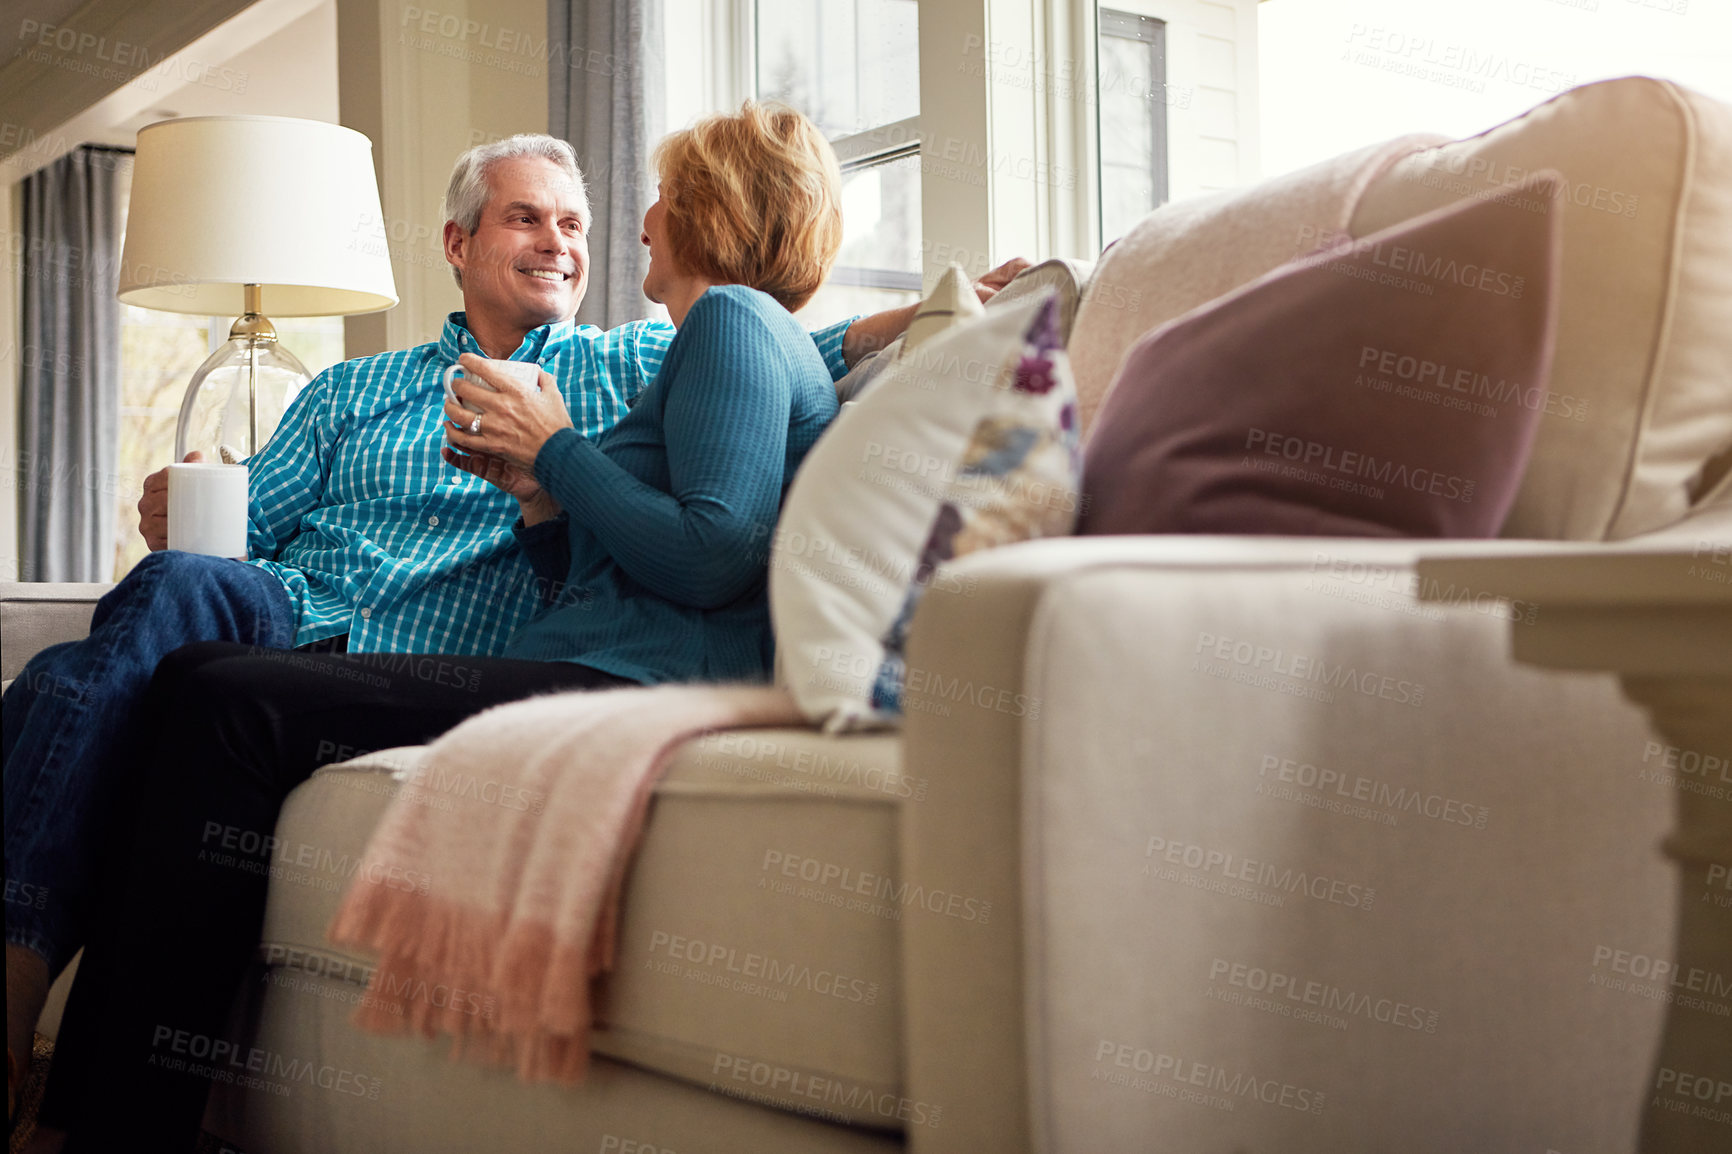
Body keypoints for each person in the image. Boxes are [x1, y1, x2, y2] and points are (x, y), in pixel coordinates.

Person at [1, 119, 1029, 1119]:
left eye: (578, 224)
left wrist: (928, 318)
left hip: (442, 651)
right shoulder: (350, 388)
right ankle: (26, 973)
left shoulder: (623, 363)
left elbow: (762, 357)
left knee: (124, 691)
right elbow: (224, 539)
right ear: (459, 243)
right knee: (132, 630)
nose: (578, 241)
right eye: (529, 220)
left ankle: (59, 1041)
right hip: (285, 604)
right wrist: (183, 507)